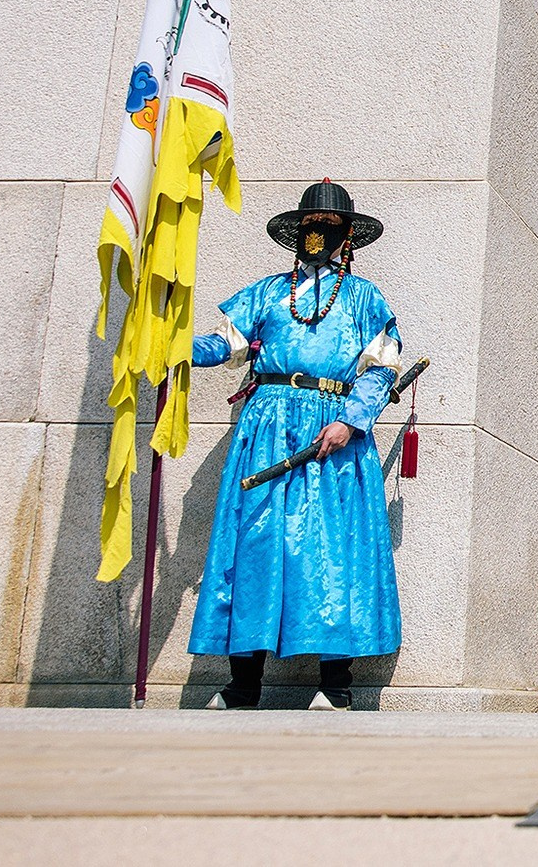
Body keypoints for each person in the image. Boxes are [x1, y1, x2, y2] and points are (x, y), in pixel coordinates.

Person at [189, 180, 405, 710]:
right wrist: (172, 343)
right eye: (311, 225)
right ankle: (242, 685)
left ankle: (336, 685)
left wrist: (352, 421)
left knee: (333, 549)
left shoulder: (364, 298)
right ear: (296, 231)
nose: (318, 235)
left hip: (334, 433)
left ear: (345, 238)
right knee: (257, 543)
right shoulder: (264, 293)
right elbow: (225, 345)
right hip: (265, 429)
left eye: (329, 228)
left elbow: (382, 369)